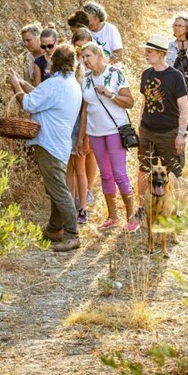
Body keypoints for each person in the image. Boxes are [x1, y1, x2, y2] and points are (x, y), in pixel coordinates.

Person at [8, 45, 83, 252]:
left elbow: (29, 104)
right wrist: (24, 84)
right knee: (56, 187)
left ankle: (71, 234)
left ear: (54, 62)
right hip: (60, 142)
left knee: (58, 190)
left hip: (48, 142)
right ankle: (53, 229)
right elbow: (44, 97)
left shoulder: (55, 84)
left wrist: (16, 85)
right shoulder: (70, 84)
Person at [80, 42, 139, 232]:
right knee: (105, 175)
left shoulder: (114, 73)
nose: (85, 60)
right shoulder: (86, 79)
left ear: (98, 55)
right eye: (83, 57)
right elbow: (84, 110)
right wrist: (82, 137)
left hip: (114, 130)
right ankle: (112, 216)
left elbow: (129, 102)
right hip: (94, 132)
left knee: (119, 174)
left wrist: (110, 94)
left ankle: (132, 217)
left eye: (88, 55)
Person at [135, 35, 188, 220]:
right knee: (143, 168)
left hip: (169, 132)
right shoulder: (146, 74)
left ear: (161, 53)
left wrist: (181, 134)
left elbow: (184, 108)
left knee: (172, 170)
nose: (146, 55)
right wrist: (139, 126)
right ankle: (142, 208)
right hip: (147, 131)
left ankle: (175, 211)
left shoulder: (175, 76)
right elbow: (144, 103)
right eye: (146, 51)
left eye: (149, 52)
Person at [68, 29, 94, 224]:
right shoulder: (71, 69)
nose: (81, 56)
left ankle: (83, 206)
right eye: (78, 51)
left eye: (84, 51)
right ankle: (70, 205)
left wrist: (83, 136)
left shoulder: (91, 74)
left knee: (81, 167)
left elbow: (86, 106)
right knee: (69, 168)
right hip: (68, 122)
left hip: (82, 123)